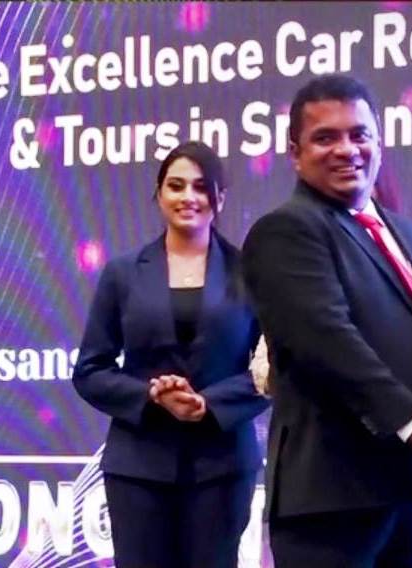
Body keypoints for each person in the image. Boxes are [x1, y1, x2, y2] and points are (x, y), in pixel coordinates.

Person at [241, 74, 412, 568]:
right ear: (295, 153)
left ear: (379, 142)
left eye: (359, 134)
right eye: (325, 137)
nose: (346, 149)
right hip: (332, 494)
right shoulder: (286, 230)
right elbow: (326, 343)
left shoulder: (407, 234)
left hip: (405, 485)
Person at [72, 141, 269, 568]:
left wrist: (209, 403)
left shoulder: (252, 273)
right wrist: (149, 395)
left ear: (220, 198)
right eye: (176, 186)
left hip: (222, 466)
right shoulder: (122, 273)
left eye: (200, 187)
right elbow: (90, 370)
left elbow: (273, 371)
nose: (187, 197)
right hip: (138, 467)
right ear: (158, 194)